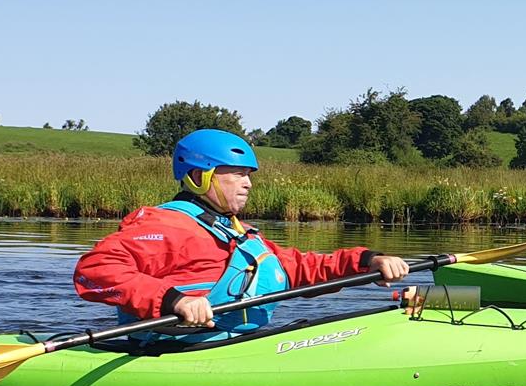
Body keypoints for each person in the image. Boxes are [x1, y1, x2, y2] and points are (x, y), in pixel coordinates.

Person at [73, 129, 409, 343]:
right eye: (236, 174)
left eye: (248, 174)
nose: (248, 183)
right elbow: (94, 271)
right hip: (178, 350)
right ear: (199, 176)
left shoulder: (236, 231)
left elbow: (296, 267)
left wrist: (367, 261)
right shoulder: (163, 226)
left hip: (239, 344)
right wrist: (174, 300)